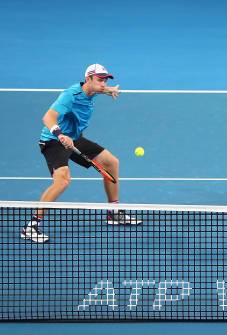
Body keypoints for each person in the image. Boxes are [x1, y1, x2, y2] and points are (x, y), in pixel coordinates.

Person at [21, 63, 141, 243]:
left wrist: (108, 90)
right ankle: (31, 226)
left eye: (105, 80)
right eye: (100, 80)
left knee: (111, 162)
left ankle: (114, 213)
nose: (103, 83)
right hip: (54, 140)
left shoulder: (92, 90)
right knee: (62, 180)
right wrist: (60, 134)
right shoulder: (70, 96)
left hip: (74, 138)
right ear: (88, 79)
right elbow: (47, 117)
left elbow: (97, 89)